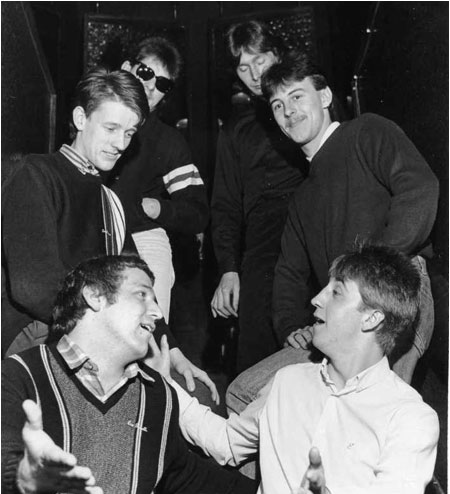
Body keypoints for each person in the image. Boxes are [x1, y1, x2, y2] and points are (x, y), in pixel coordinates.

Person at [172, 244, 440, 494]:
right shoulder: (286, 383)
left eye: (335, 291)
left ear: (372, 318)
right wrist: (166, 386)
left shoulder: (410, 413)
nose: (315, 300)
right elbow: (226, 443)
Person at [1, 254, 256, 494]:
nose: (156, 312)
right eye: (143, 294)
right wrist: (23, 479)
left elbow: (187, 477)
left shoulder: (157, 397)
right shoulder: (19, 375)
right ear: (94, 297)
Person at [226, 52, 439, 412]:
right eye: (277, 105)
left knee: (363, 418)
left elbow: (419, 188)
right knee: (245, 395)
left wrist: (370, 272)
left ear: (324, 98)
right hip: (336, 314)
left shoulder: (366, 131)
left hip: (392, 293)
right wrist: (292, 323)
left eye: (296, 96)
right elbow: (289, 272)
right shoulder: (303, 196)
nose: (288, 111)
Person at [1, 66, 218, 403]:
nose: (120, 144)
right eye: (112, 128)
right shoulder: (36, 174)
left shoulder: (109, 200)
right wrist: (109, 336)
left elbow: (138, 287)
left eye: (130, 133)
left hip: (90, 332)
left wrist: (170, 350)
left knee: (195, 393)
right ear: (80, 118)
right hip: (36, 337)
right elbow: (34, 288)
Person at [210, 20, 307, 374]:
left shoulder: (306, 106)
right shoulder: (236, 128)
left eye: (260, 60)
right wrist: (229, 270)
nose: (253, 74)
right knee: (257, 355)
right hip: (264, 242)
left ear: (276, 55)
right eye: (243, 66)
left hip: (313, 226)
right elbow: (225, 205)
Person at [110, 36, 209, 323]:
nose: (152, 86)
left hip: (143, 236)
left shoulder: (169, 142)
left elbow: (197, 212)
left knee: (148, 330)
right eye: (145, 73)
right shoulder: (91, 115)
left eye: (163, 84)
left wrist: (156, 208)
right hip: (91, 231)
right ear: (126, 67)